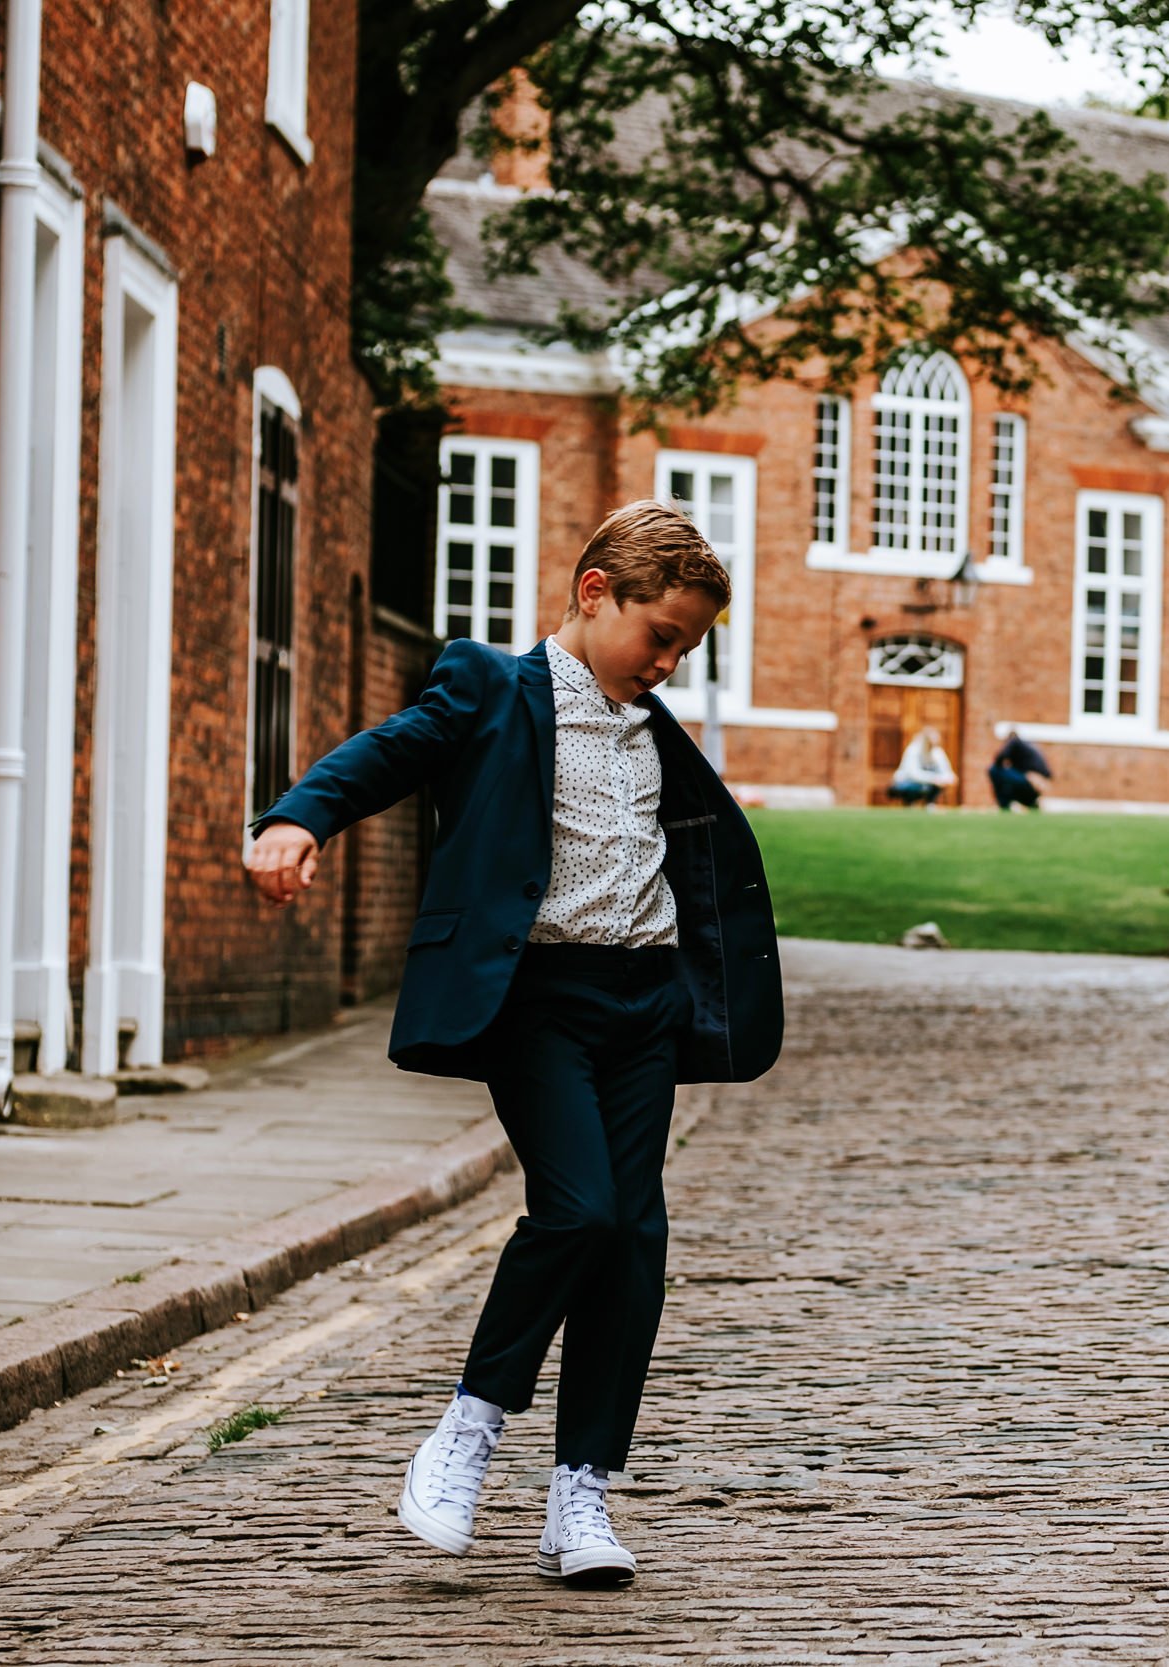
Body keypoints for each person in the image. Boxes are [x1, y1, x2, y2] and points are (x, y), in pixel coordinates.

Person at [243, 501, 782, 1588]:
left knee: (631, 1241)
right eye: (661, 634)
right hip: (537, 999)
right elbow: (387, 753)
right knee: (576, 1207)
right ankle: (466, 1432)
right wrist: (298, 818)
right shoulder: (493, 686)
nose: (672, 662)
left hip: (644, 1004)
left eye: (689, 645)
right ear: (596, 594)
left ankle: (581, 1495)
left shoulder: (649, 723)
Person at [888, 727, 956, 808]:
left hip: (927, 785)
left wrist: (943, 779)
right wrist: (934, 779)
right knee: (914, 787)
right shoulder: (913, 750)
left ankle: (930, 804)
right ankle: (909, 803)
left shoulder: (937, 752)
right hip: (907, 784)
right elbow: (913, 775)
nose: (932, 746)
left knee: (937, 784)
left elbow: (950, 774)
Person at [989, 729, 1053, 811]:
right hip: (1038, 787)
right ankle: (1030, 802)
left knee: (994, 769)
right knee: (1009, 778)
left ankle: (1004, 805)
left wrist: (1005, 765)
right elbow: (1048, 774)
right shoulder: (1029, 745)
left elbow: (999, 758)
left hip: (1030, 783)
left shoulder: (1014, 741)